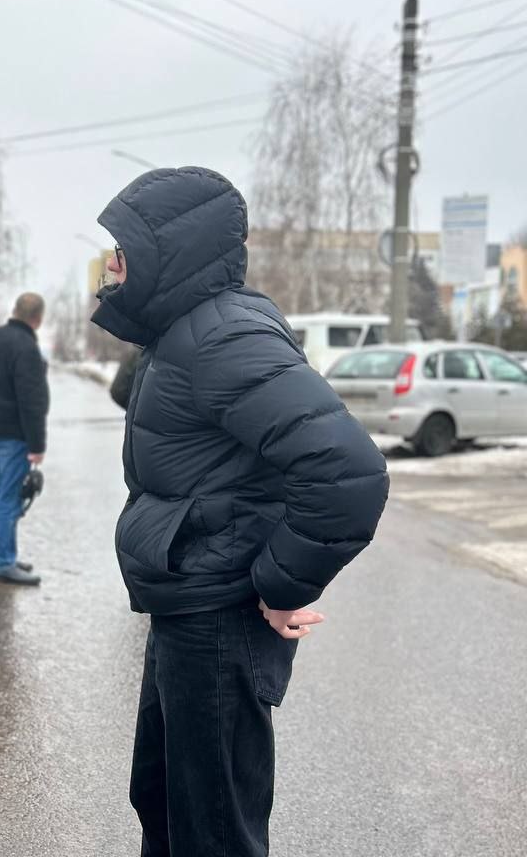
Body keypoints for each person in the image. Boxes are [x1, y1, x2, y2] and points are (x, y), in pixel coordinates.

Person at [91, 167, 389, 857]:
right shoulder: (183, 333)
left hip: (220, 619)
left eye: (125, 250)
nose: (112, 265)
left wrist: (282, 585)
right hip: (188, 605)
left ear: (171, 252)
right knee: (165, 802)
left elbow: (348, 474)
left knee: (215, 833)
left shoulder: (223, 336)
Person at [0, 293, 49, 585]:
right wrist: (37, 445)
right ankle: (2, 561)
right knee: (7, 498)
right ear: (38, 319)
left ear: (15, 310)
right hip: (14, 436)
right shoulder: (27, 348)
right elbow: (32, 401)